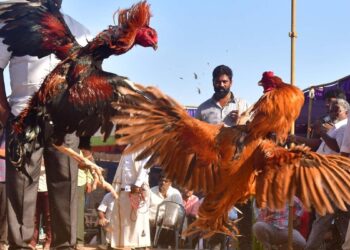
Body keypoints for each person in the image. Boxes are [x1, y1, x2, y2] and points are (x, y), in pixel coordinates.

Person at [0, 1, 92, 248]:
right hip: (24, 117)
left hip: (65, 121)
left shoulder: (80, 31)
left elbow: (88, 78)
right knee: (21, 186)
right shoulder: (15, 24)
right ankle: (19, 245)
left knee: (66, 185)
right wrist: (3, 110)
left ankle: (65, 245)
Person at [195, 64, 251, 250]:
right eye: (218, 81)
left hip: (239, 169)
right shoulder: (203, 110)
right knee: (215, 217)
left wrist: (241, 122)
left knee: (243, 217)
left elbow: (253, 134)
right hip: (214, 171)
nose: (221, 85)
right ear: (212, 82)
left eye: (224, 81)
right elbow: (197, 140)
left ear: (231, 82)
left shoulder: (243, 105)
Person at [291, 98, 350, 250]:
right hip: (327, 176)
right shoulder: (334, 127)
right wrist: (298, 140)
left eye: (336, 109)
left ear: (346, 112)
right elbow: (321, 145)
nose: (332, 113)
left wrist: (322, 132)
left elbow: (339, 149)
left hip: (336, 177)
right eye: (331, 109)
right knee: (338, 218)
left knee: (325, 219)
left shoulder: (344, 126)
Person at [109, 151, 151, 249]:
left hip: (137, 191)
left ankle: (137, 247)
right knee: (124, 224)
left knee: (136, 222)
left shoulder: (144, 147)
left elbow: (145, 167)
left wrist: (137, 184)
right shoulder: (128, 148)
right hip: (124, 191)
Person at [149, 174, 183, 248]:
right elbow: (146, 208)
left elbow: (180, 210)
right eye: (161, 180)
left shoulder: (175, 193)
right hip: (152, 222)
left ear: (170, 183)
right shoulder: (151, 191)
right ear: (158, 181)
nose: (163, 182)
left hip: (169, 224)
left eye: (166, 181)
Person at [29, 161, 51, 250]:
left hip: (48, 188)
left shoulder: (50, 154)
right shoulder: (35, 154)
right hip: (35, 189)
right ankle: (32, 242)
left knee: (49, 217)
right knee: (33, 217)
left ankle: (48, 241)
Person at [76, 167, 93, 250]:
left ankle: (79, 240)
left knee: (78, 213)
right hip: (64, 181)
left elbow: (90, 164)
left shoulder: (85, 153)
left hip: (79, 182)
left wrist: (89, 181)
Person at [0, 130, 6, 250]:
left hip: (6, 178)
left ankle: (3, 241)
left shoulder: (9, 132)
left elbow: (11, 152)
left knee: (4, 213)